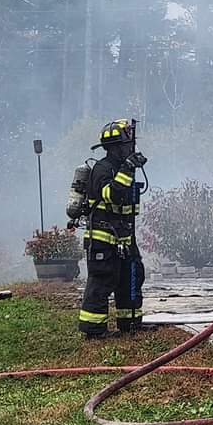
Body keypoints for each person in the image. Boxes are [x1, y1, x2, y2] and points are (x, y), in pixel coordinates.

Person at [78, 119, 146, 338]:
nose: (130, 149)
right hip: (103, 237)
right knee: (102, 281)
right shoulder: (103, 169)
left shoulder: (120, 167)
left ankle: (131, 324)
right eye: (127, 146)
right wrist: (127, 169)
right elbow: (111, 195)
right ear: (117, 147)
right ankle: (94, 329)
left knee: (131, 277)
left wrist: (128, 169)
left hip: (124, 238)